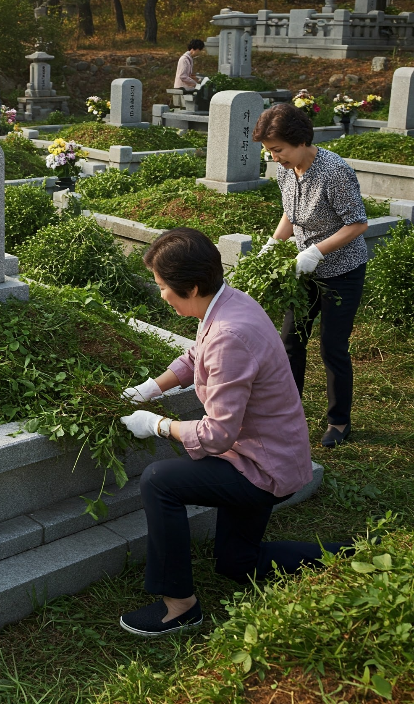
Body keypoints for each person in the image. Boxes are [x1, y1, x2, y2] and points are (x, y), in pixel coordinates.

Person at [119, 228, 351, 637]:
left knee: (160, 481)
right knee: (237, 564)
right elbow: (195, 355)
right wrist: (153, 387)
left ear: (190, 287)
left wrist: (157, 424)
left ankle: (180, 606)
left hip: (261, 466)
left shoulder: (230, 334)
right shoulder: (229, 302)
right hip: (270, 451)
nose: (161, 296)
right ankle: (349, 555)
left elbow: (216, 436)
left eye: (163, 287)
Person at [254, 103, 369, 449]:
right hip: (304, 272)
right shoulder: (287, 171)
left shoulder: (334, 172)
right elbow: (290, 215)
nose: (275, 158)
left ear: (301, 140)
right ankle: (288, 411)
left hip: (342, 271)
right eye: (269, 151)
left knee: (333, 346)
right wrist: (274, 245)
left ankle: (339, 421)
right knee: (291, 341)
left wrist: (317, 251)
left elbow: (358, 223)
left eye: (278, 150)